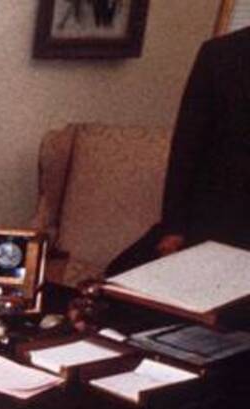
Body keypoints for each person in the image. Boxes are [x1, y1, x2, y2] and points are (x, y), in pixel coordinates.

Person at [105, 25, 250, 276]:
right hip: (209, 223)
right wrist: (174, 227)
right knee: (118, 281)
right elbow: (186, 148)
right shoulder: (221, 53)